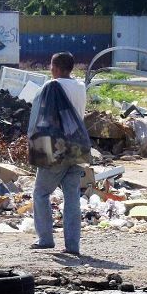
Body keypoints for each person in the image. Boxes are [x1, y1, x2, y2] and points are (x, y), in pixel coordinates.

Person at [28, 52, 87, 255]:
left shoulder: (51, 87)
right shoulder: (80, 87)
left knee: (41, 192)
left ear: (56, 68)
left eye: (51, 66)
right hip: (78, 147)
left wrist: (37, 147)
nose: (50, 70)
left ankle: (45, 238)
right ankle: (72, 246)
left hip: (57, 148)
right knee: (72, 198)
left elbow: (42, 117)